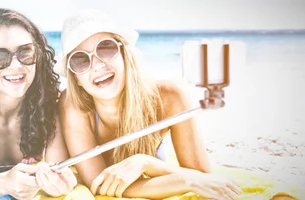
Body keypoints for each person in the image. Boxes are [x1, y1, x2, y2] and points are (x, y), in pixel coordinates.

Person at [57, 9, 243, 199]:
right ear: (76, 79)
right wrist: (186, 180)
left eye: (105, 48)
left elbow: (204, 179)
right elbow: (98, 183)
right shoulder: (73, 105)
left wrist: (145, 163)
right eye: (80, 60)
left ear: (124, 54)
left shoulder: (170, 97)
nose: (97, 65)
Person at [0, 8, 78, 199]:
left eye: (25, 52)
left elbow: (56, 172)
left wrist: (59, 185)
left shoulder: (52, 101)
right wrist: (6, 183)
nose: (16, 65)